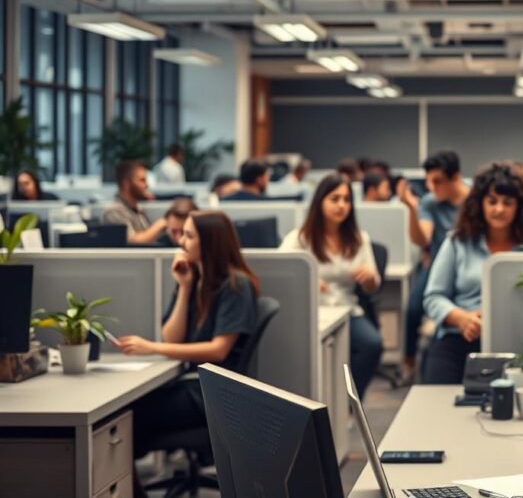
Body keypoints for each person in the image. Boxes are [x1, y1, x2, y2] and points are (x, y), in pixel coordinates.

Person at [117, 211, 259, 494]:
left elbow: (219, 350)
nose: (181, 241)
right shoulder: (195, 279)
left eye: (189, 235)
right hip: (193, 385)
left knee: (125, 419)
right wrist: (183, 288)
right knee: (123, 416)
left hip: (213, 393)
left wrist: (151, 348)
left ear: (211, 242)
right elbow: (173, 336)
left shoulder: (235, 285)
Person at [422, 162, 523, 384]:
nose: (499, 209)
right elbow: (433, 297)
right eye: (492, 201)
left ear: (519, 207)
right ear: (480, 204)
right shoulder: (458, 241)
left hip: (520, 342)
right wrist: (460, 318)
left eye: (508, 203)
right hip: (460, 338)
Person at [280, 173, 383, 399]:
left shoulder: (358, 238)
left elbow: (373, 287)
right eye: (335, 199)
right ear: (320, 202)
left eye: (346, 200)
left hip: (346, 309)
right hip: (311, 311)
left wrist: (369, 279)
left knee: (372, 344)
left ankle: (348, 403)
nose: (342, 205)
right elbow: (282, 275)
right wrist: (305, 280)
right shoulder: (300, 238)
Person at [395, 150, 470, 380]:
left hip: (467, 266)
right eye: (428, 180)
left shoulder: (475, 201)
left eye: (438, 181)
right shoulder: (430, 202)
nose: (431, 186)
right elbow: (422, 239)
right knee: (414, 309)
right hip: (437, 265)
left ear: (455, 177)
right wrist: (411, 209)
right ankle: (409, 361)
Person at [102, 160, 167, 244]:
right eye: (142, 180)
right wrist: (162, 224)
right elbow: (133, 242)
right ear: (126, 184)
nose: (147, 185)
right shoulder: (113, 212)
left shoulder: (136, 208)